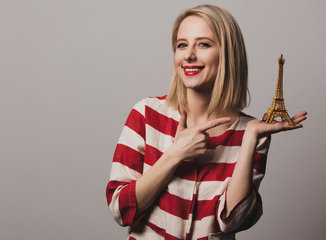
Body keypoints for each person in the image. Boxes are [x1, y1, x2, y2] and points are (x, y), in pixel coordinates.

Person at [106, 4, 307, 240]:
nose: (189, 55)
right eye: (182, 45)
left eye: (203, 44)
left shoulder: (252, 133)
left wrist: (251, 137)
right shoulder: (146, 114)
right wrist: (175, 154)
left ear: (227, 54)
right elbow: (121, 209)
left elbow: (233, 221)